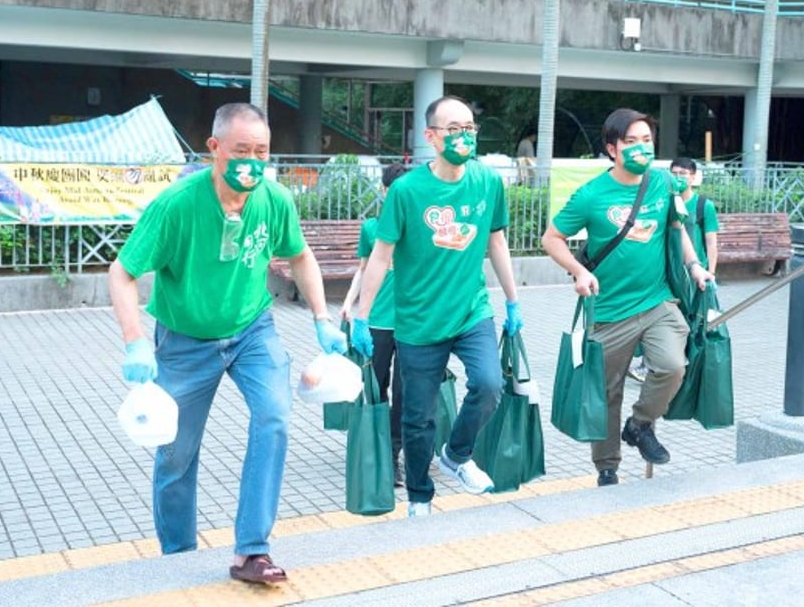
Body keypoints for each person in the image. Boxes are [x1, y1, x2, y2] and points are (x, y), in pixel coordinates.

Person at [108, 103, 347, 585]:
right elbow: (123, 271)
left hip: (252, 331)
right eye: (242, 151)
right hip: (185, 340)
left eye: (262, 152)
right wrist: (135, 342)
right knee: (176, 452)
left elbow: (300, 257)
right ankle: (178, 553)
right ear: (214, 149)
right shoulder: (177, 205)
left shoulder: (274, 199)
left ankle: (252, 551)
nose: (252, 162)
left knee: (275, 416)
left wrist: (324, 318)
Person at [351, 95, 523, 517]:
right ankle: (419, 496)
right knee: (417, 417)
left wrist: (514, 302)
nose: (464, 136)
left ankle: (458, 455)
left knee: (488, 383)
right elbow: (380, 255)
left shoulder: (486, 181)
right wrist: (361, 315)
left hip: (471, 311)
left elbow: (496, 242)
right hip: (417, 322)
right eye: (454, 129)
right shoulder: (407, 191)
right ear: (431, 137)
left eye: (469, 128)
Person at [541, 107, 714, 488]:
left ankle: (639, 425)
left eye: (647, 141)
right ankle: (607, 467)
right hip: (608, 312)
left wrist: (695, 266)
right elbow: (550, 238)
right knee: (607, 394)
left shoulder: (664, 184)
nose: (641, 148)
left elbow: (678, 229)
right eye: (631, 141)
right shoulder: (591, 195)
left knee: (672, 366)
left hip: (657, 301)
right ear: (612, 148)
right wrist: (580, 270)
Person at [341, 161, 410, 487]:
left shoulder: (420, 225)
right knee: (375, 387)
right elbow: (364, 268)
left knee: (406, 391)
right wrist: (349, 304)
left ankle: (395, 455)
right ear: (385, 191)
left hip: (413, 323)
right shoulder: (372, 228)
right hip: (379, 321)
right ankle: (376, 450)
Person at [670, 156, 719, 276]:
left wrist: (711, 272)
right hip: (670, 268)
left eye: (683, 173)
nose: (677, 178)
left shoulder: (704, 205)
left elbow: (711, 242)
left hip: (697, 269)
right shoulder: (665, 203)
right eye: (674, 174)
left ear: (693, 177)